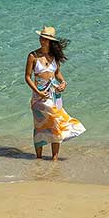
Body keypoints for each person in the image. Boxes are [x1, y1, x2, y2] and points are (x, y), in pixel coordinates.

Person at [25, 26, 86, 160]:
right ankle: (39, 158)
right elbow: (28, 77)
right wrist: (38, 92)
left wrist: (63, 83)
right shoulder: (33, 56)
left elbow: (57, 74)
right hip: (39, 98)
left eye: (45, 39)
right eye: (41, 38)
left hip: (53, 96)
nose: (42, 41)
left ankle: (54, 158)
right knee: (40, 126)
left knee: (55, 125)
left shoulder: (54, 57)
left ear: (51, 41)